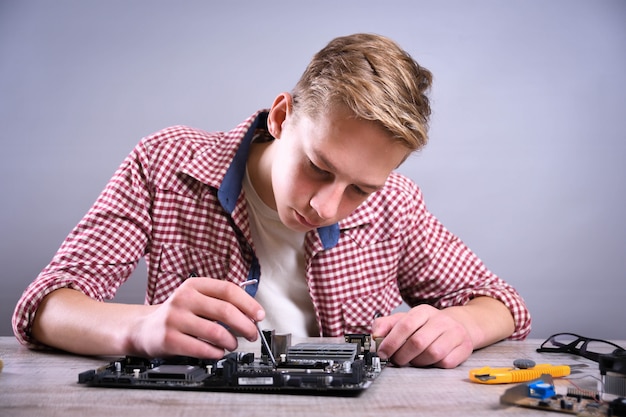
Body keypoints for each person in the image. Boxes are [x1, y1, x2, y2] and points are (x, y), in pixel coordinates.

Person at [12, 33, 531, 368]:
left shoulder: (395, 205)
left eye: (359, 189)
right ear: (281, 118)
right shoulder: (164, 162)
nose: (326, 207)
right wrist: (140, 328)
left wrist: (461, 323)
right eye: (318, 168)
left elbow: (503, 304)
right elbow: (44, 307)